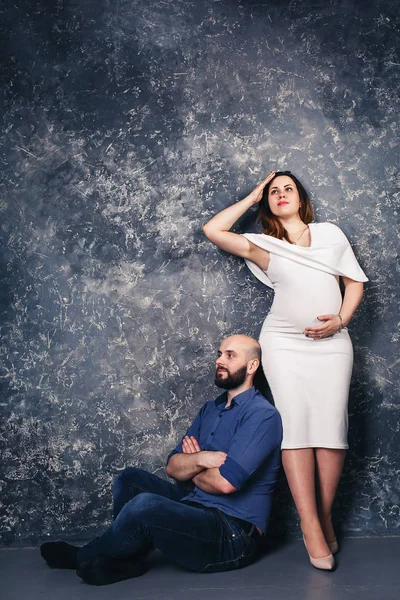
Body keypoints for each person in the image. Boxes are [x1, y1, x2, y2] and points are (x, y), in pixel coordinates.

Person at [203, 171, 368, 571]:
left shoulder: (331, 234)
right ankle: (309, 523)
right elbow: (213, 229)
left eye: (287, 189)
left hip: (332, 345)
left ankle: (323, 515)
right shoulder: (265, 245)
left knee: (331, 427)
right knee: (295, 426)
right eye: (273, 191)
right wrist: (252, 196)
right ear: (267, 201)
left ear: (300, 198)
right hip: (284, 344)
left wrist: (341, 321)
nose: (280, 195)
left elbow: (355, 282)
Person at [40, 334, 282, 585]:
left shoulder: (262, 416)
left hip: (231, 534)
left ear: (252, 366)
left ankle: (85, 554)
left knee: (145, 505)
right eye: (219, 354)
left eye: (230, 355)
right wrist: (203, 458)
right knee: (129, 479)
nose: (220, 360)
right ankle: (128, 560)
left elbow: (225, 483)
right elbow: (172, 467)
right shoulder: (210, 409)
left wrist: (191, 464)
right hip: (195, 506)